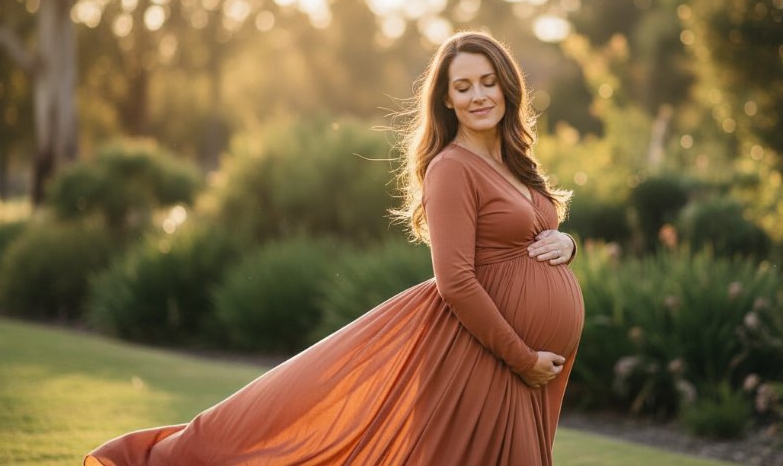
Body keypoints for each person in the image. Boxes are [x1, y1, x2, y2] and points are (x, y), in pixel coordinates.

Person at [84, 31, 584, 466]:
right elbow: (455, 281)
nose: (479, 95)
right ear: (447, 101)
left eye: (488, 82)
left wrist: (568, 243)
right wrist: (521, 357)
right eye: (463, 86)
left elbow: (534, 232)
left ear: (507, 86)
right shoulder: (451, 168)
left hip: (522, 363)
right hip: (483, 356)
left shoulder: (515, 163)